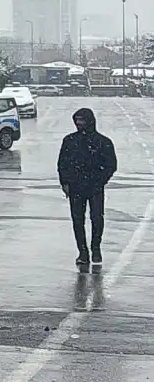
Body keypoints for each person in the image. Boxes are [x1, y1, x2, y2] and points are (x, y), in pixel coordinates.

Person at [57, 107, 117, 270]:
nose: (79, 124)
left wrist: (100, 180)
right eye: (77, 120)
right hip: (76, 187)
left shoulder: (103, 142)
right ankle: (83, 252)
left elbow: (111, 165)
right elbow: (62, 164)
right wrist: (65, 183)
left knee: (97, 218)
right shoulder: (69, 141)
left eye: (82, 120)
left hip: (95, 187)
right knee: (78, 220)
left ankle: (95, 247)